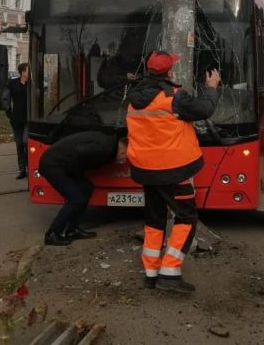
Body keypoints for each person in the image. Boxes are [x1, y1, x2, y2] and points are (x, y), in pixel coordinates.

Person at [126, 51, 220, 294]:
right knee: (187, 218)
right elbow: (205, 109)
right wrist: (211, 87)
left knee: (154, 219)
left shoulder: (133, 97)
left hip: (146, 170)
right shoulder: (173, 97)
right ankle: (170, 272)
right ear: (169, 72)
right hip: (173, 171)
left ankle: (151, 272)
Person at [39, 131, 127, 246]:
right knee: (76, 198)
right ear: (121, 150)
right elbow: (79, 152)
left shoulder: (109, 144)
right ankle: (52, 234)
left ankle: (73, 230)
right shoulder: (104, 148)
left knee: (87, 188)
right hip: (53, 165)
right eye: (124, 156)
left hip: (60, 164)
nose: (123, 160)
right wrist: (73, 173)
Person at [7, 63, 30, 179]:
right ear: (22, 72)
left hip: (28, 119)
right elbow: (7, 99)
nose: (29, 72)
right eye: (28, 70)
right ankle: (22, 170)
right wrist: (9, 115)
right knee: (19, 144)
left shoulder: (31, 84)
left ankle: (30, 167)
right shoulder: (12, 83)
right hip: (16, 119)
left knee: (26, 142)